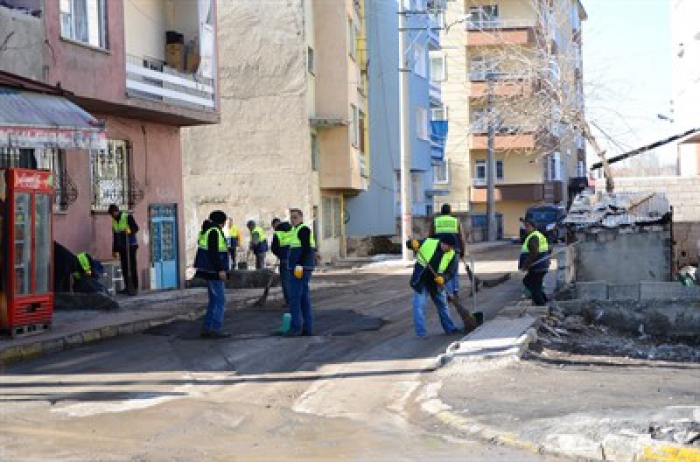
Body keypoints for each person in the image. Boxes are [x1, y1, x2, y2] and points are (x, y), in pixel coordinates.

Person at [407, 235, 461, 338]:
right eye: (448, 246)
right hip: (421, 281)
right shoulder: (428, 242)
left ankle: (450, 328)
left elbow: (451, 272)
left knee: (443, 306)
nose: (450, 249)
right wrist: (411, 243)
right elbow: (410, 244)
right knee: (419, 306)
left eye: (451, 247)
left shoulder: (452, 254)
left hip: (436, 283)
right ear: (443, 243)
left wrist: (443, 278)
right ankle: (421, 333)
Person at [429, 203, 480, 298]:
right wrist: (463, 251)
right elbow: (461, 237)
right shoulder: (456, 221)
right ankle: (455, 291)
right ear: (450, 212)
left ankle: (447, 292)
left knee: (443, 271)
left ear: (441, 212)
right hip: (454, 249)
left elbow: (430, 237)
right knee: (453, 271)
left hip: (440, 250)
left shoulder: (435, 221)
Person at [194, 210, 231, 339]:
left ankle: (207, 327)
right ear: (222, 222)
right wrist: (220, 270)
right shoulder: (214, 232)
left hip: (209, 271)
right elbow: (214, 253)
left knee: (214, 300)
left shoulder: (208, 230)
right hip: (214, 272)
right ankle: (215, 328)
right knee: (220, 301)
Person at [287, 208, 316, 336]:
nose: (292, 220)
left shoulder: (303, 229)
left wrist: (299, 265)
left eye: (295, 217)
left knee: (294, 297)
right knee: (303, 298)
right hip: (302, 267)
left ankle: (296, 327)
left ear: (301, 218)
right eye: (291, 217)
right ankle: (307, 328)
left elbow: (306, 249)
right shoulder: (296, 230)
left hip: (300, 268)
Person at [108, 204, 139, 295]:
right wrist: (114, 250)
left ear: (116, 211)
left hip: (131, 245)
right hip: (122, 247)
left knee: (132, 267)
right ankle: (127, 287)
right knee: (124, 267)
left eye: (112, 214)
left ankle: (134, 287)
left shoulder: (127, 216)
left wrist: (130, 231)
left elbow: (136, 228)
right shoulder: (114, 221)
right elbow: (115, 237)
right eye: (111, 215)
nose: (112, 216)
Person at [519, 218, 550, 306]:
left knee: (532, 284)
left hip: (537, 267)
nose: (525, 228)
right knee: (531, 282)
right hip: (541, 266)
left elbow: (533, 254)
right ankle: (543, 299)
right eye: (525, 226)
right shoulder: (537, 235)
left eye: (527, 226)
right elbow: (548, 249)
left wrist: (525, 266)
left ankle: (541, 304)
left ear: (532, 227)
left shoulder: (533, 237)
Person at [271, 217, 294, 309]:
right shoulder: (293, 230)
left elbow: (274, 248)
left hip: (284, 260)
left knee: (285, 282)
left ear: (275, 225)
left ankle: (289, 303)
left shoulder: (278, 233)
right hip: (295, 260)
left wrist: (280, 254)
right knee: (295, 281)